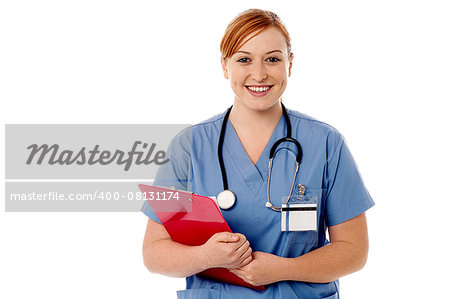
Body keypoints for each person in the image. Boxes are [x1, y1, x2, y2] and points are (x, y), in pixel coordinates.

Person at [141, 9, 374, 299]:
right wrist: (207, 256)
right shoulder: (189, 146)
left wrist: (284, 268)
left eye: (273, 59)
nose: (259, 73)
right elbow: (154, 252)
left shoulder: (325, 143)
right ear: (225, 66)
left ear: (290, 63)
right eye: (244, 59)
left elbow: (354, 251)